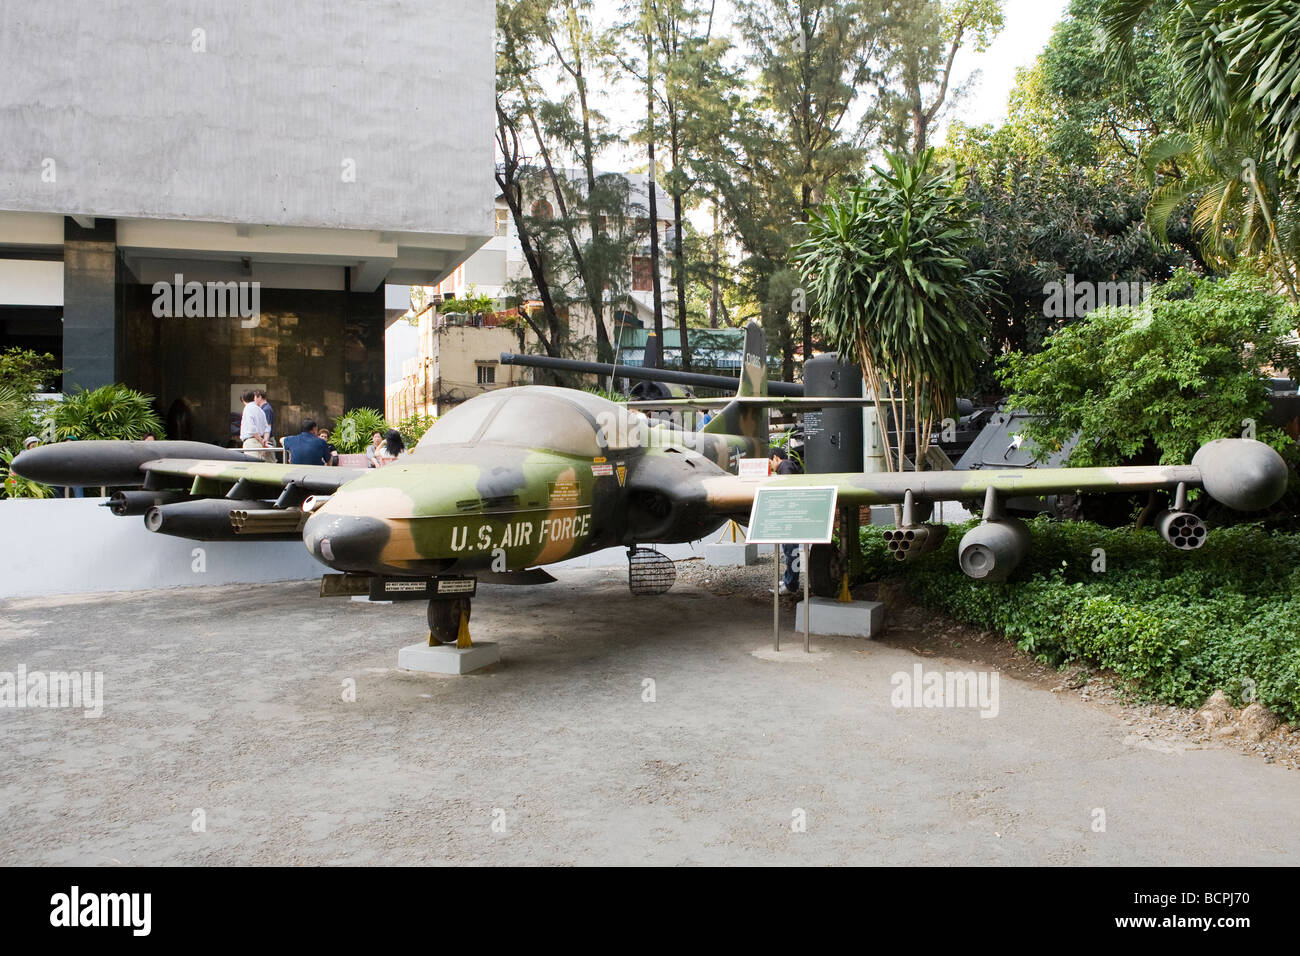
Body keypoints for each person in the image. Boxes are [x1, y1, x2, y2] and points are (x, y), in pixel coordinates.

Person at [769, 446, 802, 595]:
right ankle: (790, 580)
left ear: (776, 458)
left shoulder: (785, 467)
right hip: (793, 514)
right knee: (791, 551)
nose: (770, 466)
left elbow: (787, 491)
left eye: (770, 462)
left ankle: (791, 585)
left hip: (790, 516)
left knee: (791, 552)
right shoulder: (788, 466)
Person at [239, 389, 270, 459]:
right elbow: (267, 428)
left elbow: (252, 428)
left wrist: (261, 440)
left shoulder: (247, 409)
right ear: (254, 397)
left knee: (251, 466)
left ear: (243, 399)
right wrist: (264, 440)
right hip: (260, 442)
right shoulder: (260, 410)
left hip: (251, 442)